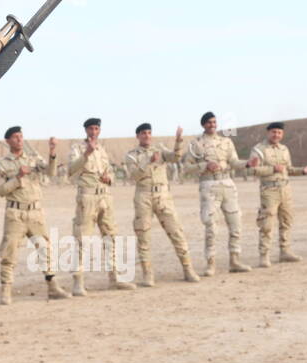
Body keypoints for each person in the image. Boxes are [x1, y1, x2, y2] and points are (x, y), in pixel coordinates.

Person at [0, 127, 69, 303]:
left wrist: (52, 152)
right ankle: (6, 290)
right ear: (8, 141)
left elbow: (51, 172)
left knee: (44, 249)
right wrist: (17, 177)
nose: (19, 140)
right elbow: (1, 190)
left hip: (35, 213)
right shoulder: (1, 164)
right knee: (9, 252)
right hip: (15, 213)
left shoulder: (34, 159)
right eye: (15, 137)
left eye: (21, 136)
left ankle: (52, 286)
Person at [123, 123, 199, 285]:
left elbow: (175, 157)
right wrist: (147, 162)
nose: (147, 136)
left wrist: (178, 141)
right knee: (143, 235)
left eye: (149, 133)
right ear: (138, 136)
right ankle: (148, 274)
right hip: (143, 195)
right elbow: (134, 176)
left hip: (163, 195)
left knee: (176, 231)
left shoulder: (160, 149)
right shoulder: (131, 155)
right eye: (143, 133)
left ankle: (188, 269)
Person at [67, 117, 135, 295]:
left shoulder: (102, 150)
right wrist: (86, 154)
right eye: (90, 129)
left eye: (96, 129)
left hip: (105, 196)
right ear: (85, 130)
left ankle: (115, 278)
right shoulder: (77, 149)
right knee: (82, 239)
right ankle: (78, 282)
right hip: (87, 197)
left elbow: (110, 171)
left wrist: (109, 178)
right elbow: (71, 169)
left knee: (111, 237)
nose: (93, 132)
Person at [184, 111, 250, 275]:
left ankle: (235, 261)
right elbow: (187, 168)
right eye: (209, 122)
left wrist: (248, 163)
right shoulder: (195, 144)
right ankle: (211, 264)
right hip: (209, 185)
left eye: (214, 122)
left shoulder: (226, 142)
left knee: (236, 223)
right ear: (203, 125)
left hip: (227, 184)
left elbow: (234, 162)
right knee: (211, 226)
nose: (212, 125)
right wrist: (204, 166)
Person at [247, 122, 307, 265]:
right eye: (274, 132)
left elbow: (287, 169)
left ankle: (285, 251)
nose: (276, 135)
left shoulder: (284, 149)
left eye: (279, 132)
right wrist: (272, 169)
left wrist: (302, 170)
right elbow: (251, 170)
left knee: (287, 221)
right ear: (268, 132)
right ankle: (264, 255)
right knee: (267, 224)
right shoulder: (259, 150)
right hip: (269, 190)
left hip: (285, 190)